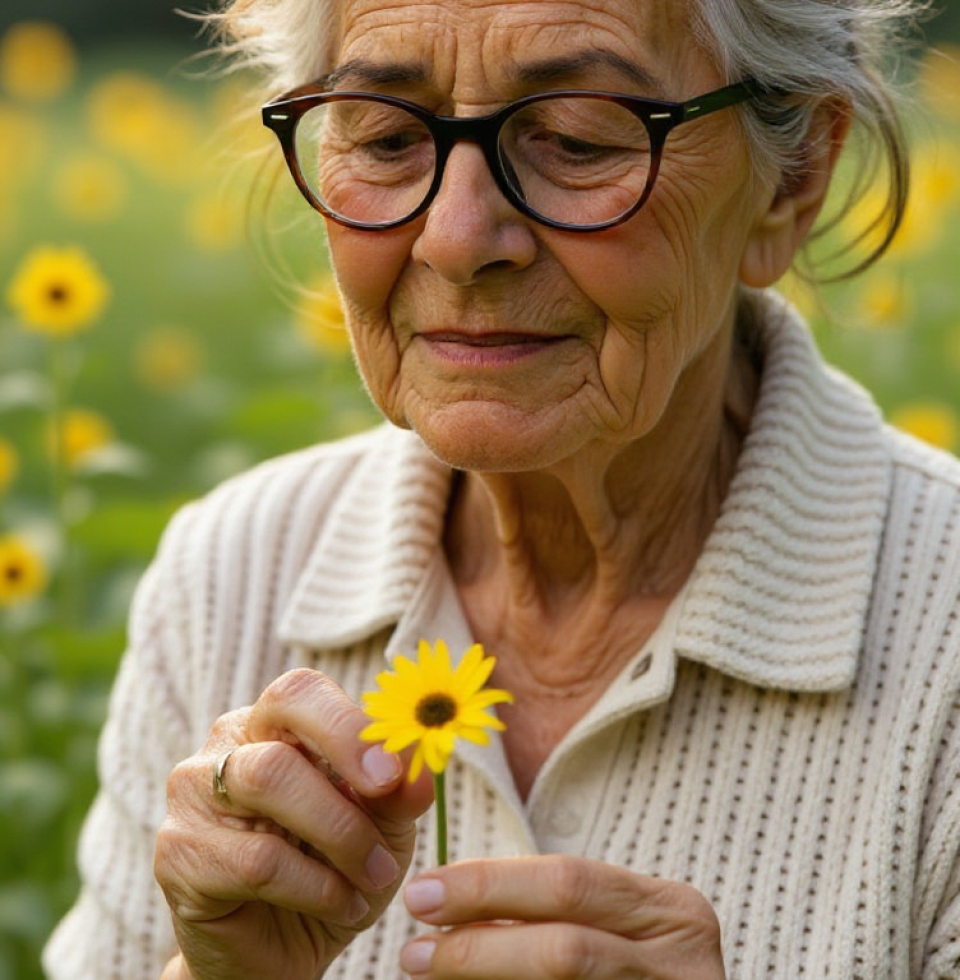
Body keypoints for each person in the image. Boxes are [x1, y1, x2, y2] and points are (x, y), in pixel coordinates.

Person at [43, 0, 960, 977]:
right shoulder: (232, 578)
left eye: (574, 137)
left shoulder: (935, 636)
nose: (456, 237)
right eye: (388, 137)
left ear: (793, 180)